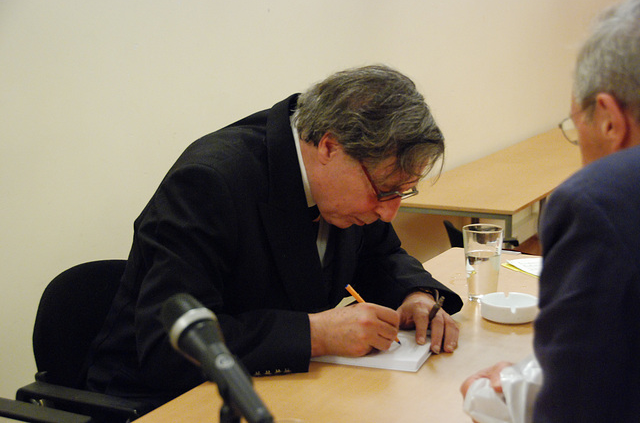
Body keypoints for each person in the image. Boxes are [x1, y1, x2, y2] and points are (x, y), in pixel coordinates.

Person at [84, 65, 464, 408]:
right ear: (330, 147)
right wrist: (316, 334)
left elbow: (381, 256)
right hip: (162, 402)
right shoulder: (209, 183)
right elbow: (167, 347)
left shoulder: (354, 181)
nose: (389, 212)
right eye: (385, 192)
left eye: (403, 192)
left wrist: (416, 294)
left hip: (282, 390)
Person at [461, 0, 640, 421]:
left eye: (576, 132)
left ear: (609, 119)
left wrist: (501, 395)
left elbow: (577, 407)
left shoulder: (602, 202)